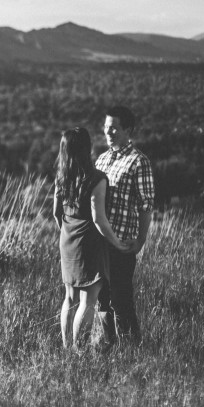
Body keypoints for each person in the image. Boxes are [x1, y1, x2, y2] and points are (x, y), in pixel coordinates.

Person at [53, 127, 131, 349]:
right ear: (87, 148)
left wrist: (68, 232)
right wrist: (117, 243)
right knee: (87, 303)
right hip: (89, 243)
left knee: (69, 298)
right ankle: (79, 353)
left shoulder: (61, 176)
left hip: (67, 240)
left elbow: (56, 213)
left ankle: (67, 348)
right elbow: (99, 220)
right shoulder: (97, 178)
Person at [95, 105, 155, 346]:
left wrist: (140, 241)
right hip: (100, 243)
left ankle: (132, 350)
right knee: (101, 299)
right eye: (107, 127)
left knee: (121, 300)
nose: (109, 132)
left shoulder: (139, 162)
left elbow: (146, 205)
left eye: (114, 128)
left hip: (121, 243)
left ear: (128, 130)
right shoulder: (102, 159)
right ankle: (106, 345)